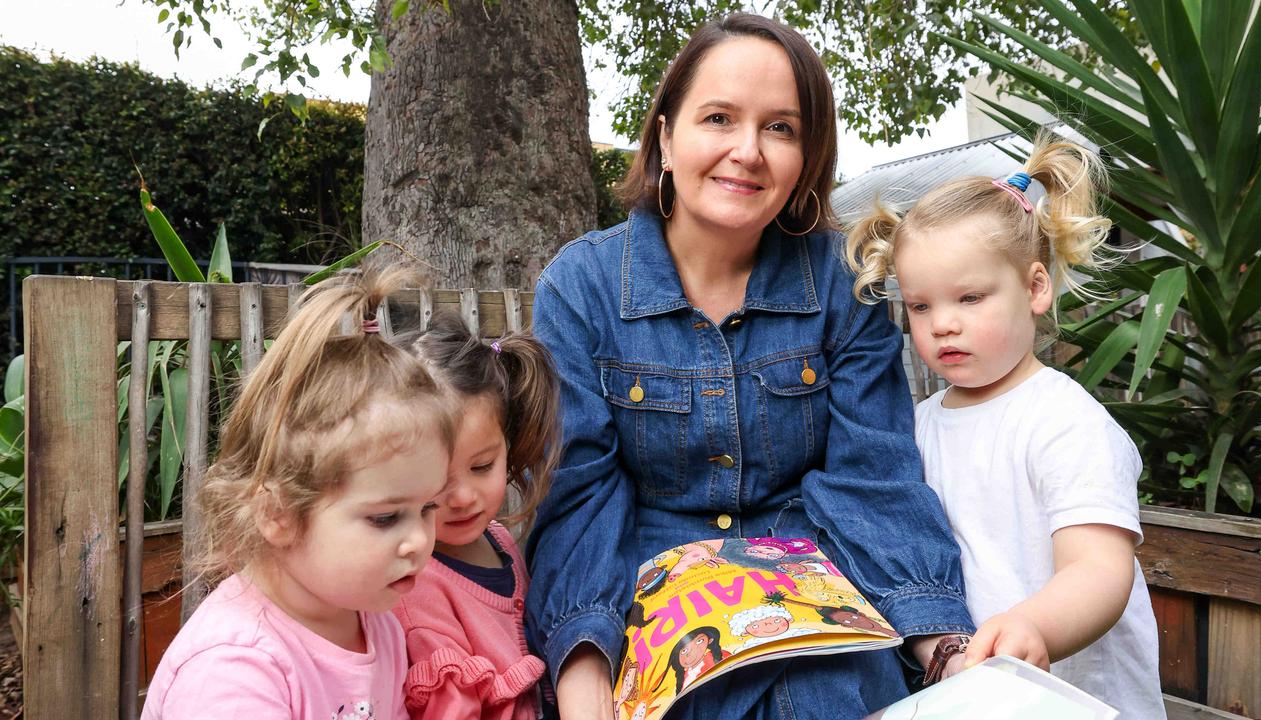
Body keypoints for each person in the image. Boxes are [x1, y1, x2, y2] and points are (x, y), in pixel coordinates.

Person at [525, 13, 975, 720]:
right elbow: (578, 500)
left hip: (819, 588)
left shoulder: (841, 285)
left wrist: (942, 647)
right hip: (645, 601)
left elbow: (873, 478)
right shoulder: (579, 289)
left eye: (781, 129)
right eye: (718, 118)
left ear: (806, 159)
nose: (748, 151)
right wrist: (584, 686)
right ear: (666, 137)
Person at [846, 134, 1166, 717]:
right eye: (920, 306)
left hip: (1080, 698)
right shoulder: (914, 428)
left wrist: (1033, 625)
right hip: (974, 693)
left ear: (1036, 287)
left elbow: (1099, 568)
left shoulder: (1065, 422)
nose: (942, 324)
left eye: (970, 298)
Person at [141, 267, 455, 719]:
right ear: (278, 514)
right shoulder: (233, 672)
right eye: (386, 517)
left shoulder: (372, 620)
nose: (421, 540)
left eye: (427, 507)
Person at [390, 312, 561, 720]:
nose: (464, 497)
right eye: (437, 477)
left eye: (482, 466)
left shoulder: (499, 539)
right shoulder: (417, 589)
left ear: (508, 445)